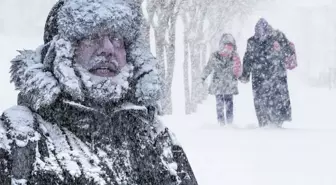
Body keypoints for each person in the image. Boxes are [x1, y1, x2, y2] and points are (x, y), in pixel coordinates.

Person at [0, 0, 198, 184]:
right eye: (92, 37)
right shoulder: (17, 137)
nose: (108, 48)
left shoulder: (154, 136)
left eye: (117, 39)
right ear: (62, 51)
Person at [239, 18, 297, 127]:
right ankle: (264, 124)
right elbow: (247, 59)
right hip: (259, 77)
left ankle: (276, 123)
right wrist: (245, 75)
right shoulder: (252, 41)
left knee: (276, 101)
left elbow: (289, 52)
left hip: (276, 76)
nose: (260, 36)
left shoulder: (278, 37)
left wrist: (280, 49)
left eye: (262, 32)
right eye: (257, 32)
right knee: (260, 102)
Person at [201, 33, 242, 125]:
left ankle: (227, 123)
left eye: (230, 46)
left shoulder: (233, 56)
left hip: (225, 84)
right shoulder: (216, 56)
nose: (228, 48)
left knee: (227, 104)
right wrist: (203, 77)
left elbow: (238, 70)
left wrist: (240, 75)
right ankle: (222, 123)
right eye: (227, 45)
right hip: (223, 84)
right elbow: (209, 67)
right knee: (223, 104)